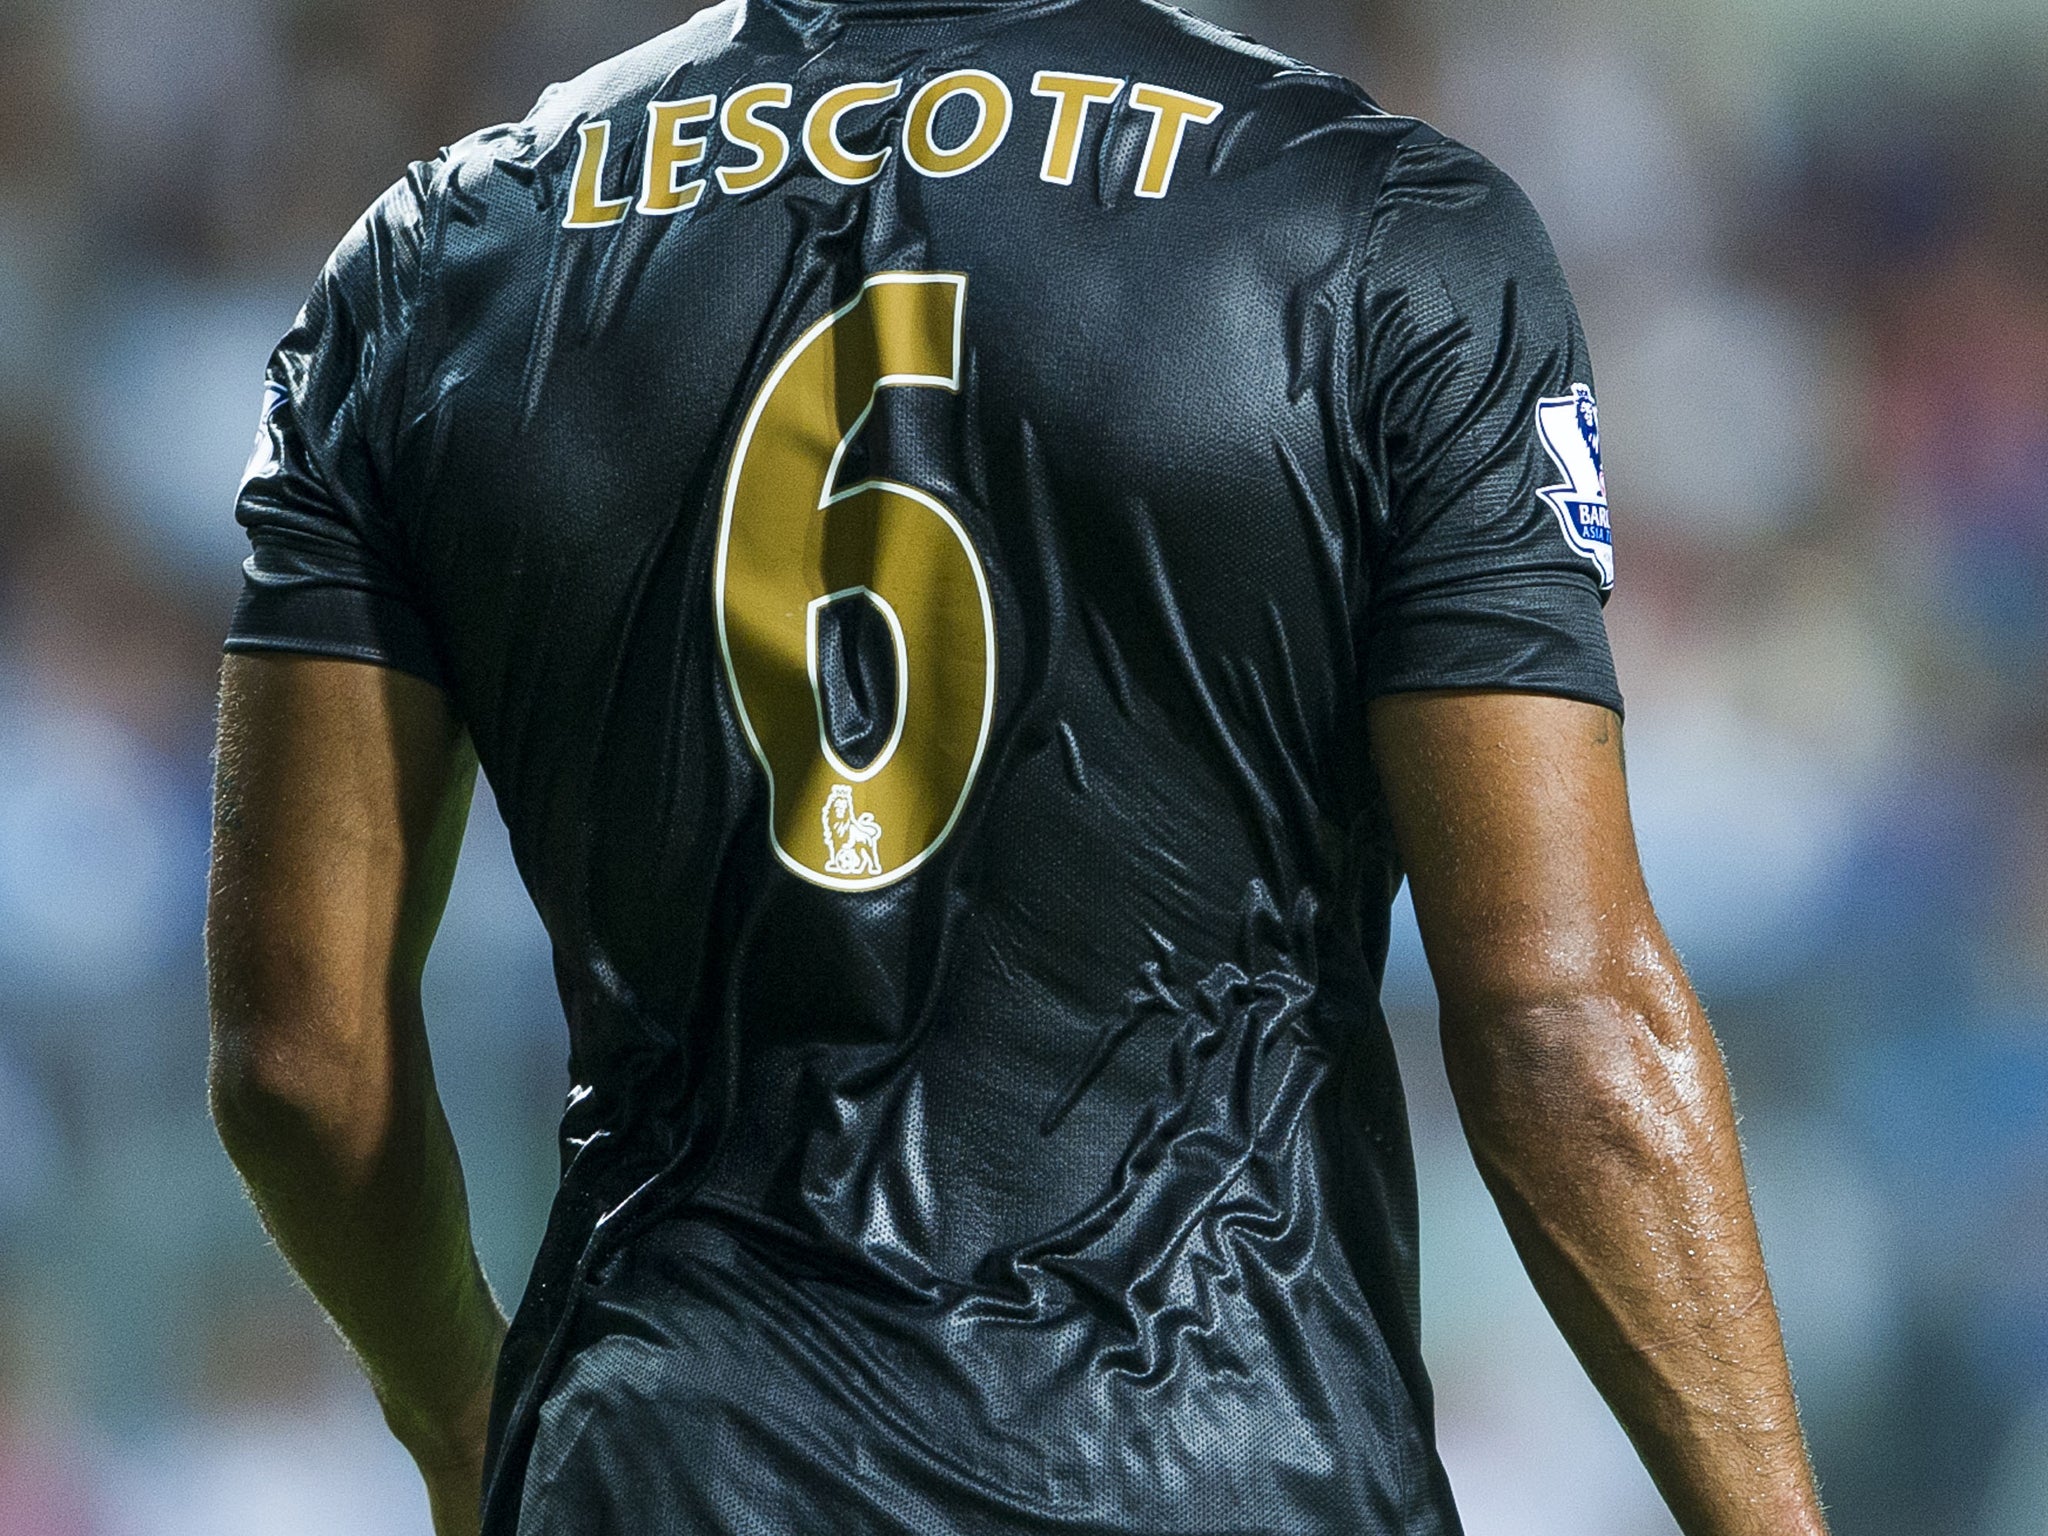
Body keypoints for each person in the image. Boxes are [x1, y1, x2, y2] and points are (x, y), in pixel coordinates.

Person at [204, 1, 1830, 1532]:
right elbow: (1566, 1021)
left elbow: (297, 1052)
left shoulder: (430, 271)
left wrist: (463, 1412)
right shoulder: (1379, 228)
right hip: (1228, 1461)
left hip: (669, 1456)